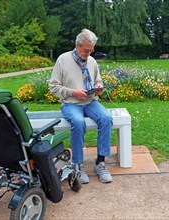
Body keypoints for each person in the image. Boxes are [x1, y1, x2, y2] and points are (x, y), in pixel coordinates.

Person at [49, 29, 113, 184]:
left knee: (106, 118)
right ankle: (78, 165)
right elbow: (53, 87)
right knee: (78, 122)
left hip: (90, 101)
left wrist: (98, 86)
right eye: (86, 50)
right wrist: (74, 92)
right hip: (71, 103)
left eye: (91, 50)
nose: (88, 54)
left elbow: (98, 80)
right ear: (77, 45)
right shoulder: (63, 60)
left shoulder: (92, 61)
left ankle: (100, 162)